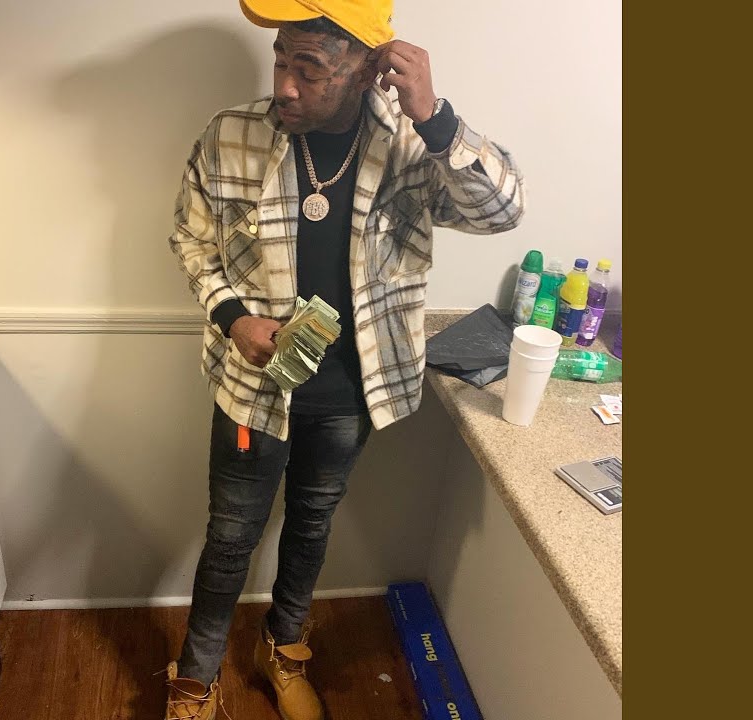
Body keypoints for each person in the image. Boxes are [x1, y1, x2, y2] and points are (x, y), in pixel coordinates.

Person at [165, 1, 525, 717]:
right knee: (230, 537)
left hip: (353, 393)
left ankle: (283, 650)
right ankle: (195, 681)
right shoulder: (231, 135)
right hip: (253, 388)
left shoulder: (414, 145)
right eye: (281, 59)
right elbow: (191, 238)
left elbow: (501, 212)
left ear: (367, 69)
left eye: (309, 68)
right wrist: (234, 318)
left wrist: (439, 119)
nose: (285, 85)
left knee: (311, 525)